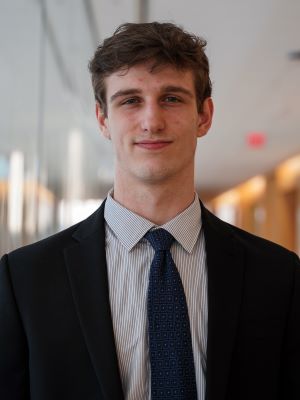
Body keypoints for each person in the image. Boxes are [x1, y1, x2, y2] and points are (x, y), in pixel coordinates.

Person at [0, 22, 299, 400]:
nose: (152, 121)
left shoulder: (279, 276)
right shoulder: (24, 280)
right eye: (130, 100)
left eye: (171, 98)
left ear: (204, 115)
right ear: (103, 119)